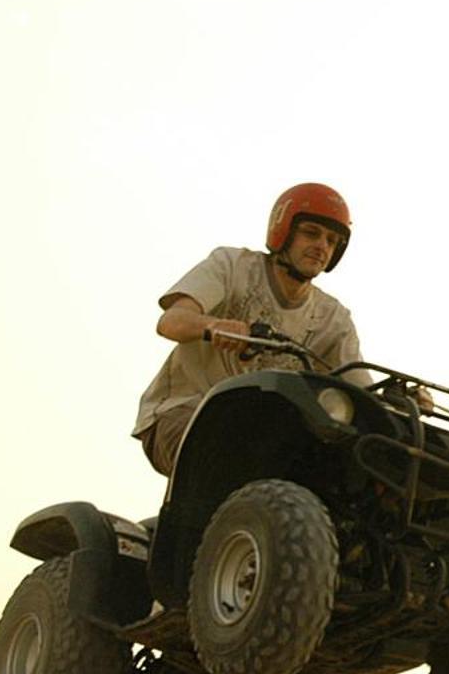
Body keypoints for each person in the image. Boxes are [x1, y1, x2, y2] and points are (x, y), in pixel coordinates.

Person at [132, 183, 367, 477]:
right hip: (186, 411)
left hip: (267, 436)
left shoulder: (333, 318)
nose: (322, 246)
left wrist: (406, 399)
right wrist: (214, 325)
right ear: (284, 230)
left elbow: (362, 387)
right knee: (241, 456)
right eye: (311, 233)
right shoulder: (232, 266)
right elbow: (171, 322)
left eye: (332, 241)